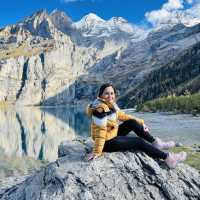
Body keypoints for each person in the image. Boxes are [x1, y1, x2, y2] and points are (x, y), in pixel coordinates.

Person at [85, 83, 187, 168]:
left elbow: (123, 116)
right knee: (139, 142)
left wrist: (141, 122)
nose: (110, 96)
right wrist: (97, 151)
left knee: (132, 122)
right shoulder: (100, 110)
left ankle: (156, 143)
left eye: (112, 93)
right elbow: (100, 132)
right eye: (106, 93)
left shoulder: (111, 105)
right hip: (106, 143)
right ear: (100, 95)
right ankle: (168, 159)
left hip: (111, 134)